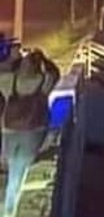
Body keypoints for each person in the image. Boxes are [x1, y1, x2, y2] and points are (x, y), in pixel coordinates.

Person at [1, 50, 60, 217]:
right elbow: (55, 73)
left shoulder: (10, 81)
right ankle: (9, 210)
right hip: (32, 132)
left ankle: (9, 205)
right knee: (19, 172)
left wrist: (13, 62)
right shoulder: (42, 81)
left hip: (9, 131)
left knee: (14, 170)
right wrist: (45, 59)